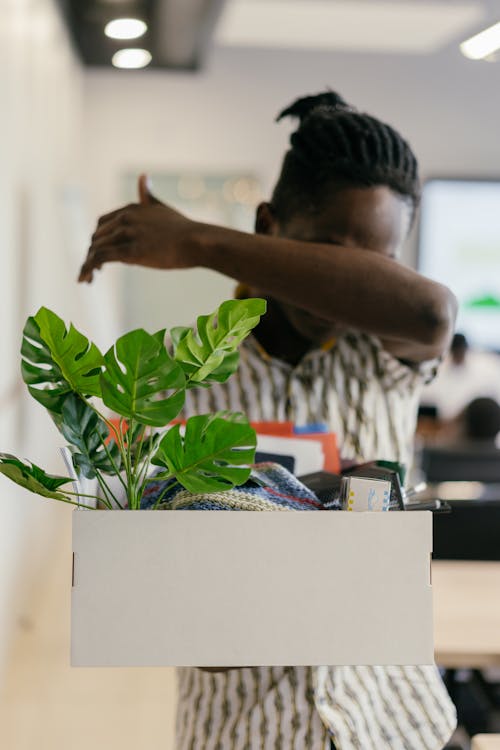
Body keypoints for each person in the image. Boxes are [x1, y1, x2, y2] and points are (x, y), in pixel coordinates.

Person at [79, 92, 458, 749]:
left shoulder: (386, 355)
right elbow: (161, 598)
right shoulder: (171, 375)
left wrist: (197, 240)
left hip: (391, 725)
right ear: (268, 225)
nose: (341, 288)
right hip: (242, 730)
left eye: (377, 263)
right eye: (329, 252)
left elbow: (432, 314)